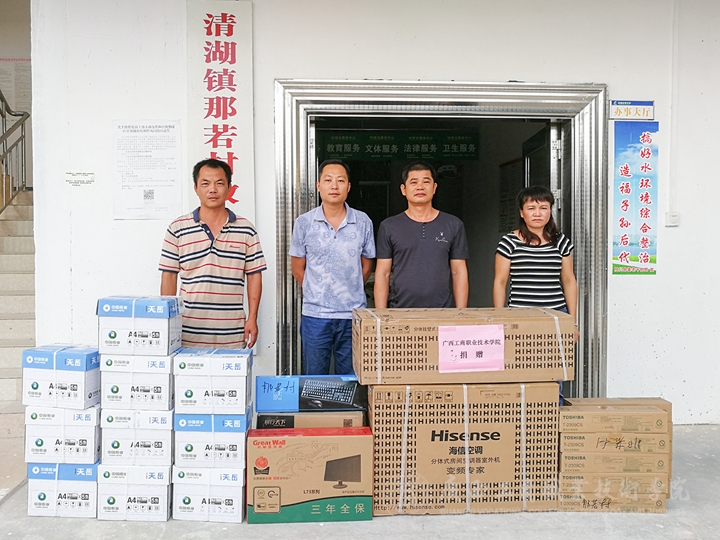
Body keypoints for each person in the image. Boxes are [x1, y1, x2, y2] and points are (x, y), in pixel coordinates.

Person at [159, 158, 266, 348]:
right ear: (196, 188)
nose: (213, 190)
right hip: (188, 331)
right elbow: (169, 275)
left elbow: (254, 275)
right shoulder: (177, 228)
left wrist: (252, 318)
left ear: (229, 188)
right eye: (205, 183)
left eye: (219, 183)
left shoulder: (246, 229)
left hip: (232, 332)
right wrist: (167, 321)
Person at [289, 159, 375, 375]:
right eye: (328, 180)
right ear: (318, 186)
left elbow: (367, 265)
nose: (334, 186)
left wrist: (348, 289)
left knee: (351, 379)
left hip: (353, 315)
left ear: (349, 186)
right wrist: (317, 290)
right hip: (315, 315)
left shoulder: (363, 221)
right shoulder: (304, 223)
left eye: (340, 180)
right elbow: (297, 268)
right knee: (314, 378)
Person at [493, 186, 578, 405]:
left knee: (554, 370)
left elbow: (569, 280)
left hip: (555, 316)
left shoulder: (561, 242)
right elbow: (500, 281)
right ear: (522, 213)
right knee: (521, 368)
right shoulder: (509, 242)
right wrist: (499, 319)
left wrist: (572, 322)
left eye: (543, 207)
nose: (537, 213)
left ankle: (552, 410)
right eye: (531, 208)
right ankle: (524, 413)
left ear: (551, 210)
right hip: (520, 316)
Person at [374, 161, 469, 309]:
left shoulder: (453, 224)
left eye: (426, 182)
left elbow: (459, 272)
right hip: (400, 311)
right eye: (414, 182)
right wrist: (381, 316)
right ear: (403, 189)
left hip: (442, 311)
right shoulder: (389, 226)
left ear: (434, 187)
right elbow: (383, 273)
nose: (420, 187)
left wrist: (461, 313)